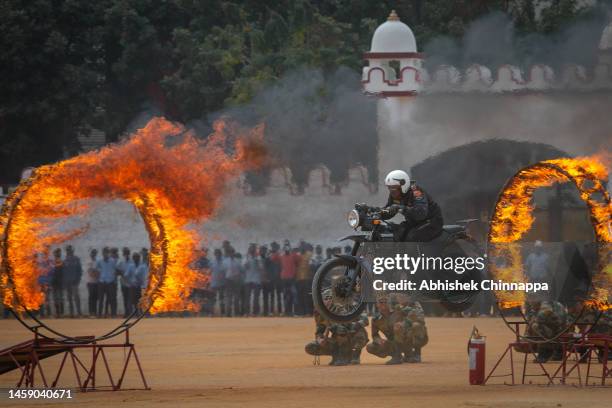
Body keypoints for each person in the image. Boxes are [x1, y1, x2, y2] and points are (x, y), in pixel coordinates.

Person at [381, 169, 443, 242]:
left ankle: (418, 254)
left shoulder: (416, 192)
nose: (391, 191)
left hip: (431, 222)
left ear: (403, 185)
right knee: (396, 233)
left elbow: (421, 213)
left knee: (411, 238)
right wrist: (372, 211)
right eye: (389, 188)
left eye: (394, 188)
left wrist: (401, 208)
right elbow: (389, 210)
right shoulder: (395, 194)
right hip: (414, 222)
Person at [390, 293, 428, 363]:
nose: (400, 298)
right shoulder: (397, 307)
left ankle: (417, 354)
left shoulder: (415, 304)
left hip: (419, 336)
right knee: (397, 327)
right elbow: (392, 321)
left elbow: (420, 319)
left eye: (403, 295)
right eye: (399, 296)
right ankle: (401, 356)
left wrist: (404, 322)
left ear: (408, 297)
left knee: (416, 325)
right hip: (405, 334)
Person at [366, 296, 402, 364]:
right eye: (381, 302)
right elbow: (374, 335)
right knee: (370, 347)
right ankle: (396, 355)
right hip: (392, 342)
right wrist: (379, 340)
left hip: (405, 340)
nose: (383, 304)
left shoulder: (398, 312)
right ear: (377, 304)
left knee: (398, 328)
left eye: (385, 302)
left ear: (389, 303)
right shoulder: (376, 319)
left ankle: (404, 355)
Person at [96, 247, 118, 317]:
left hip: (110, 282)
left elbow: (115, 271)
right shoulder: (99, 261)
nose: (105, 254)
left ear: (108, 253)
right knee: (101, 299)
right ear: (102, 253)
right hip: (102, 282)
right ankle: (99, 314)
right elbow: (96, 271)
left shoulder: (113, 261)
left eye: (107, 252)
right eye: (104, 252)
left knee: (111, 299)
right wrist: (98, 278)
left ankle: (113, 314)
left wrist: (114, 280)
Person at [63, 245, 83, 318]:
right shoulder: (65, 260)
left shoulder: (76, 259)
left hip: (75, 282)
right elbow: (63, 272)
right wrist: (64, 282)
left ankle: (79, 313)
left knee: (76, 297)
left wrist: (78, 280)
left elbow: (80, 271)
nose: (69, 252)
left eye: (70, 250)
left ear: (72, 251)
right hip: (67, 282)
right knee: (69, 298)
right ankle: (72, 313)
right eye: (68, 250)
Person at [244, 244, 262, 316]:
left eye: (253, 249)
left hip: (256, 280)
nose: (251, 251)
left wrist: (257, 260)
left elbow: (261, 268)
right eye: (250, 249)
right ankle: (247, 312)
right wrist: (247, 262)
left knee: (256, 298)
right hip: (248, 279)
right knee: (247, 297)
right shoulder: (246, 258)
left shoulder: (258, 258)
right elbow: (244, 267)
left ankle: (255, 312)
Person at [295, 243, 313, 316]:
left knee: (307, 296)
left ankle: (308, 312)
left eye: (303, 247)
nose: (302, 249)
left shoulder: (309, 255)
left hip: (307, 279)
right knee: (299, 296)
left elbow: (311, 265)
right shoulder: (297, 256)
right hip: (298, 279)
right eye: (301, 247)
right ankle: (301, 312)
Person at [116, 247, 134, 317]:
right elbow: (117, 270)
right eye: (125, 252)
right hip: (123, 282)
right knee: (125, 298)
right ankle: (126, 313)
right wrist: (122, 274)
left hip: (131, 283)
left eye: (127, 252)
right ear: (123, 253)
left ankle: (131, 313)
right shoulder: (120, 261)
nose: (126, 254)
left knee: (131, 298)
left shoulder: (132, 261)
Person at [209, 248, 226, 315]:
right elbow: (209, 272)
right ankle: (212, 312)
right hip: (214, 283)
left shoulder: (224, 261)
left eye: (218, 253)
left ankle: (223, 312)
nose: (217, 255)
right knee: (213, 299)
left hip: (222, 283)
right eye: (216, 253)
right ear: (215, 254)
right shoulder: (212, 262)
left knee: (222, 299)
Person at [50, 248, 64, 318]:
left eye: (58, 253)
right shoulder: (52, 262)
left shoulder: (61, 262)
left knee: (60, 297)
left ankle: (61, 313)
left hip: (60, 282)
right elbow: (50, 272)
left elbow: (63, 272)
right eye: (56, 253)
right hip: (54, 282)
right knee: (55, 298)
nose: (57, 254)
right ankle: (58, 313)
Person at [86, 249, 100, 317]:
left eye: (94, 253)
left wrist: (96, 273)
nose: (93, 254)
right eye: (92, 253)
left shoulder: (98, 261)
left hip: (97, 282)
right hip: (90, 282)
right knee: (91, 298)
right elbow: (90, 272)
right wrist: (96, 273)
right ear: (90, 254)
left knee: (96, 298)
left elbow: (99, 271)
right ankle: (91, 312)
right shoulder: (89, 262)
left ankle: (95, 312)